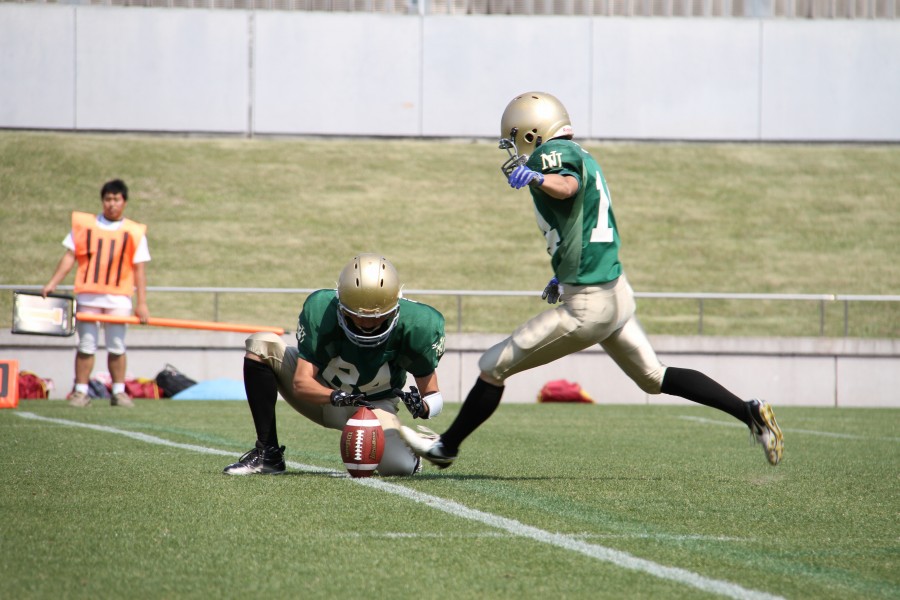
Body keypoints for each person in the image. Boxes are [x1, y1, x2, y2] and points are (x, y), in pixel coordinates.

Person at [401, 91, 784, 470]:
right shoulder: (584, 155)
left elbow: (567, 186)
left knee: (493, 366)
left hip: (589, 304)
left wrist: (538, 177)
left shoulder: (553, 154)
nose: (515, 150)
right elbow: (584, 221)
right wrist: (562, 273)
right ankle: (749, 411)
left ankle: (446, 447)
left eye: (516, 138)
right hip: (615, 292)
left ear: (533, 131)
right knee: (654, 377)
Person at [223, 254, 447, 477]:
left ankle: (410, 454)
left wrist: (423, 407)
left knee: (398, 467)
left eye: (378, 317)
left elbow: (433, 396)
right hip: (323, 395)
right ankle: (267, 453)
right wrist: (336, 397)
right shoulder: (321, 310)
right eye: (356, 315)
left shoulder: (419, 325)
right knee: (261, 344)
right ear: (341, 304)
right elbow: (302, 383)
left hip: (375, 407)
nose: (366, 323)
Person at [42, 179, 150, 408]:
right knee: (86, 344)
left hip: (119, 296)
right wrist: (52, 283)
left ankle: (119, 391)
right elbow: (70, 256)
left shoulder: (134, 231)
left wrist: (142, 303)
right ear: (102, 201)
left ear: (124, 202)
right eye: (108, 199)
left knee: (117, 345)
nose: (112, 204)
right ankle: (81, 391)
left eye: (116, 199)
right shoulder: (85, 226)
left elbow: (139, 269)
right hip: (89, 293)